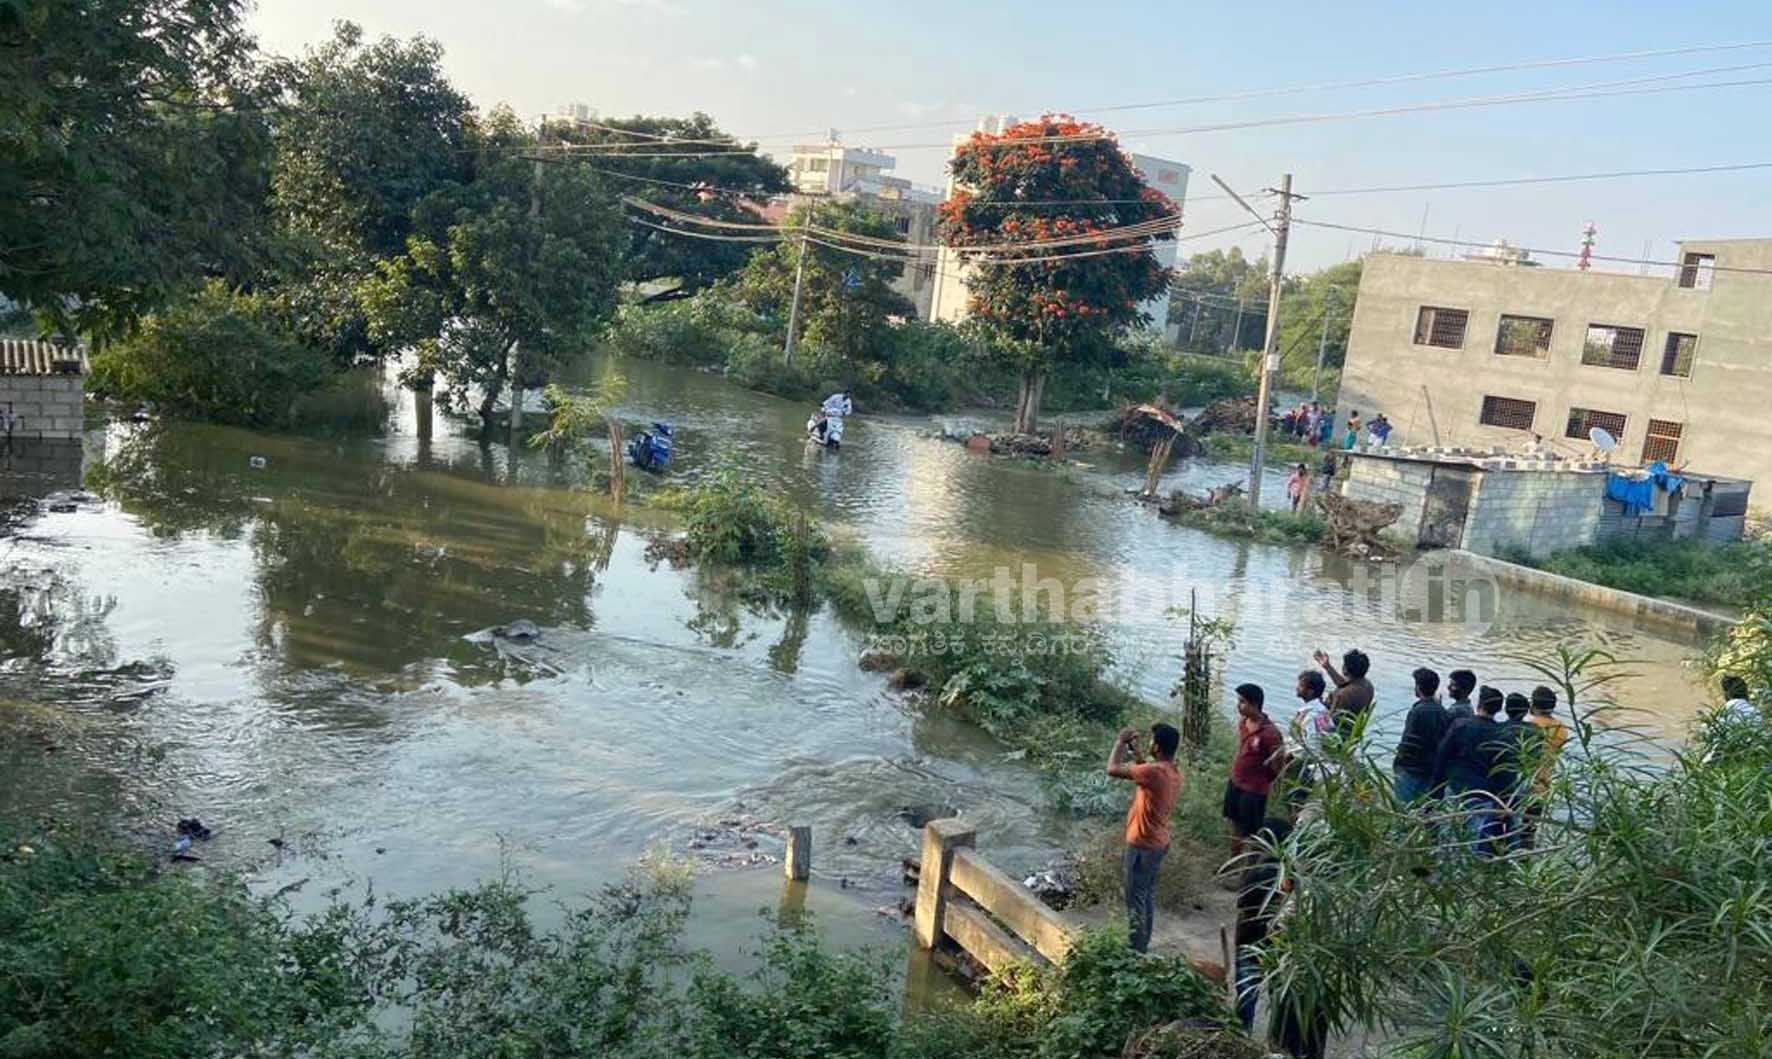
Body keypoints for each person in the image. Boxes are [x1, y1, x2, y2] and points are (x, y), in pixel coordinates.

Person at [1106, 722, 1183, 953]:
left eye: (1151, 742)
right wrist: (1138, 754)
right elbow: (1146, 772)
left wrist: (1120, 742)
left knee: (1135, 900)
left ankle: (1135, 950)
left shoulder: (1153, 772)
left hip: (1142, 844)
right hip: (1158, 843)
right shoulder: (1171, 771)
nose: (1149, 744)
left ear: (1157, 747)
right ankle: (1142, 944)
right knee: (1146, 895)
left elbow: (1112, 769)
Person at [1432, 686, 1505, 849]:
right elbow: (1502, 768)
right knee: (1474, 839)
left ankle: (1446, 867)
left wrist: (1435, 786)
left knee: (1448, 833)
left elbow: (1442, 755)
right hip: (1484, 792)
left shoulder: (1461, 725)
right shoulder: (1501, 733)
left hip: (1456, 786)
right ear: (1499, 709)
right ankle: (1468, 870)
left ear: (1480, 704)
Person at [1223, 684, 1286, 857]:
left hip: (1254, 790)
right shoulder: (1244, 723)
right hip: (1236, 783)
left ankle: (1249, 872)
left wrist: (1262, 781)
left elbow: (1277, 765)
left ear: (1255, 704)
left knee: (1252, 833)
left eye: (1242, 702)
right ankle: (1232, 863)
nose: (1238, 705)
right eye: (1238, 701)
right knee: (1235, 825)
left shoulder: (1271, 734)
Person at [1393, 667, 1449, 804]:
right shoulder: (1442, 711)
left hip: (1411, 770)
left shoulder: (1417, 711)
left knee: (1402, 809)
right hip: (1430, 770)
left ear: (1418, 687)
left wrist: (1398, 762)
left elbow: (1408, 741)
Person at [1520, 685, 1568, 848]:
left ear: (1533, 705)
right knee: (1529, 830)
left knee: (1512, 829)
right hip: (1544, 785)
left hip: (1523, 784)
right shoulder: (1561, 728)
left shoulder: (1528, 726)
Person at [1288, 670, 1334, 810]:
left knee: (1295, 802)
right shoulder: (1322, 710)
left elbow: (1311, 747)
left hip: (1305, 766)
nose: (1297, 688)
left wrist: (1289, 755)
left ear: (1310, 692)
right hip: (1315, 764)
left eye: (1301, 686)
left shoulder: (1311, 715)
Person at [1313, 647, 1373, 738]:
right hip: (1353, 734)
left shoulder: (1343, 695)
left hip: (1336, 738)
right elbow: (1343, 683)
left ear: (1345, 669)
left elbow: (1329, 723)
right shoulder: (1366, 685)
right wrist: (1327, 666)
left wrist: (1317, 705)